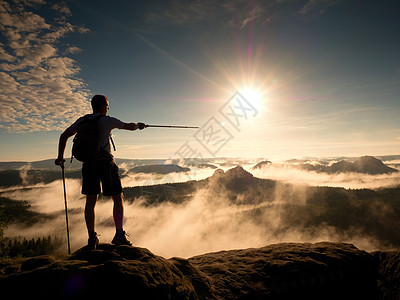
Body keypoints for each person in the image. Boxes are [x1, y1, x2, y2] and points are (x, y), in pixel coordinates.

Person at [55, 95, 145, 249]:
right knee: (117, 197)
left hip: (88, 164)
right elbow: (128, 126)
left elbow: (64, 136)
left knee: (90, 201)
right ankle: (119, 235)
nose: (108, 108)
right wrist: (139, 125)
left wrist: (60, 157)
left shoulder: (82, 120)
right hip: (106, 164)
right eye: (108, 105)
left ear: (92, 106)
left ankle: (91, 238)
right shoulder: (107, 120)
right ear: (104, 105)